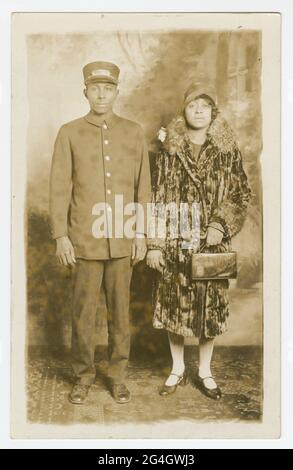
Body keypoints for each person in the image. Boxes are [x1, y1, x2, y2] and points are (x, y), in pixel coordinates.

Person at [49, 61, 151, 404]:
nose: (102, 94)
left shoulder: (134, 131)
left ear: (117, 92)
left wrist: (141, 234)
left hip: (122, 235)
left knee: (120, 314)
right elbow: (59, 188)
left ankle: (117, 376)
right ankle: (83, 376)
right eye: (95, 88)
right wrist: (60, 235)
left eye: (108, 88)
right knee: (83, 313)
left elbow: (143, 188)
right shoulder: (69, 132)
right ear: (86, 92)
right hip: (83, 239)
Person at [146, 83, 251, 399]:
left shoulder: (227, 150)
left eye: (205, 105)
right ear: (184, 110)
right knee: (173, 307)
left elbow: (240, 193)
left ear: (213, 112)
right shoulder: (167, 150)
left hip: (211, 243)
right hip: (175, 240)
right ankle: (176, 369)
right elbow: (155, 195)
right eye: (193, 105)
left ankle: (205, 371)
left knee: (210, 310)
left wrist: (221, 223)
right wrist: (154, 243)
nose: (199, 110)